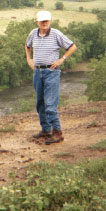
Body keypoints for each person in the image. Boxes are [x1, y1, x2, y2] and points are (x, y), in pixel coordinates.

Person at [25, 10, 76, 144]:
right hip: (37, 72)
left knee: (50, 104)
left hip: (51, 72)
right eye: (42, 21)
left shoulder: (56, 34)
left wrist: (62, 59)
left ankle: (57, 133)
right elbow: (27, 45)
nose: (44, 23)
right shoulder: (33, 34)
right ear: (37, 22)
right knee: (40, 103)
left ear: (50, 21)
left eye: (46, 20)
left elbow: (72, 47)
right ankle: (46, 130)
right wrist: (28, 60)